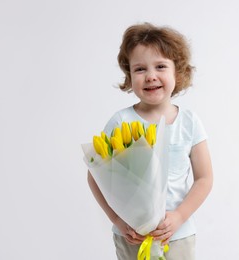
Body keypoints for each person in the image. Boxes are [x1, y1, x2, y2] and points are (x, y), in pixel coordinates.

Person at [87, 22, 213, 260]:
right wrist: (117, 220)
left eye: (161, 66)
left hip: (177, 236)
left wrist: (179, 217)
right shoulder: (120, 121)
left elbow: (204, 178)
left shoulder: (189, 122)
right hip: (131, 236)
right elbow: (95, 175)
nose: (151, 76)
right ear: (129, 75)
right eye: (140, 69)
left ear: (178, 71)